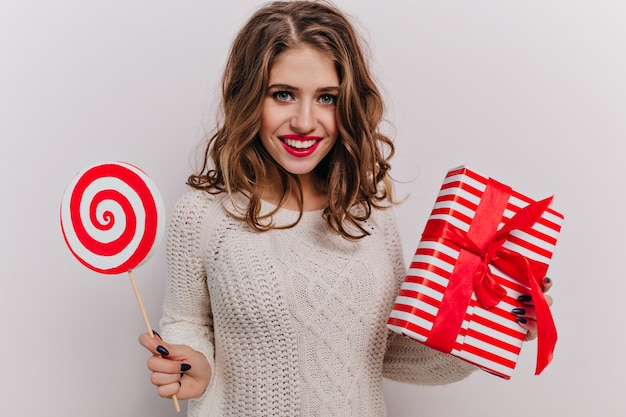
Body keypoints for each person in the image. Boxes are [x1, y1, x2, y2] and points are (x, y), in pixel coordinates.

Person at [139, 1, 554, 416]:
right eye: (282, 95)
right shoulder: (203, 214)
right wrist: (197, 365)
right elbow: (187, 319)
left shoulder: (368, 217)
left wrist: (494, 324)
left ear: (350, 103)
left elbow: (390, 351)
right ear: (248, 98)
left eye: (327, 98)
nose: (305, 121)